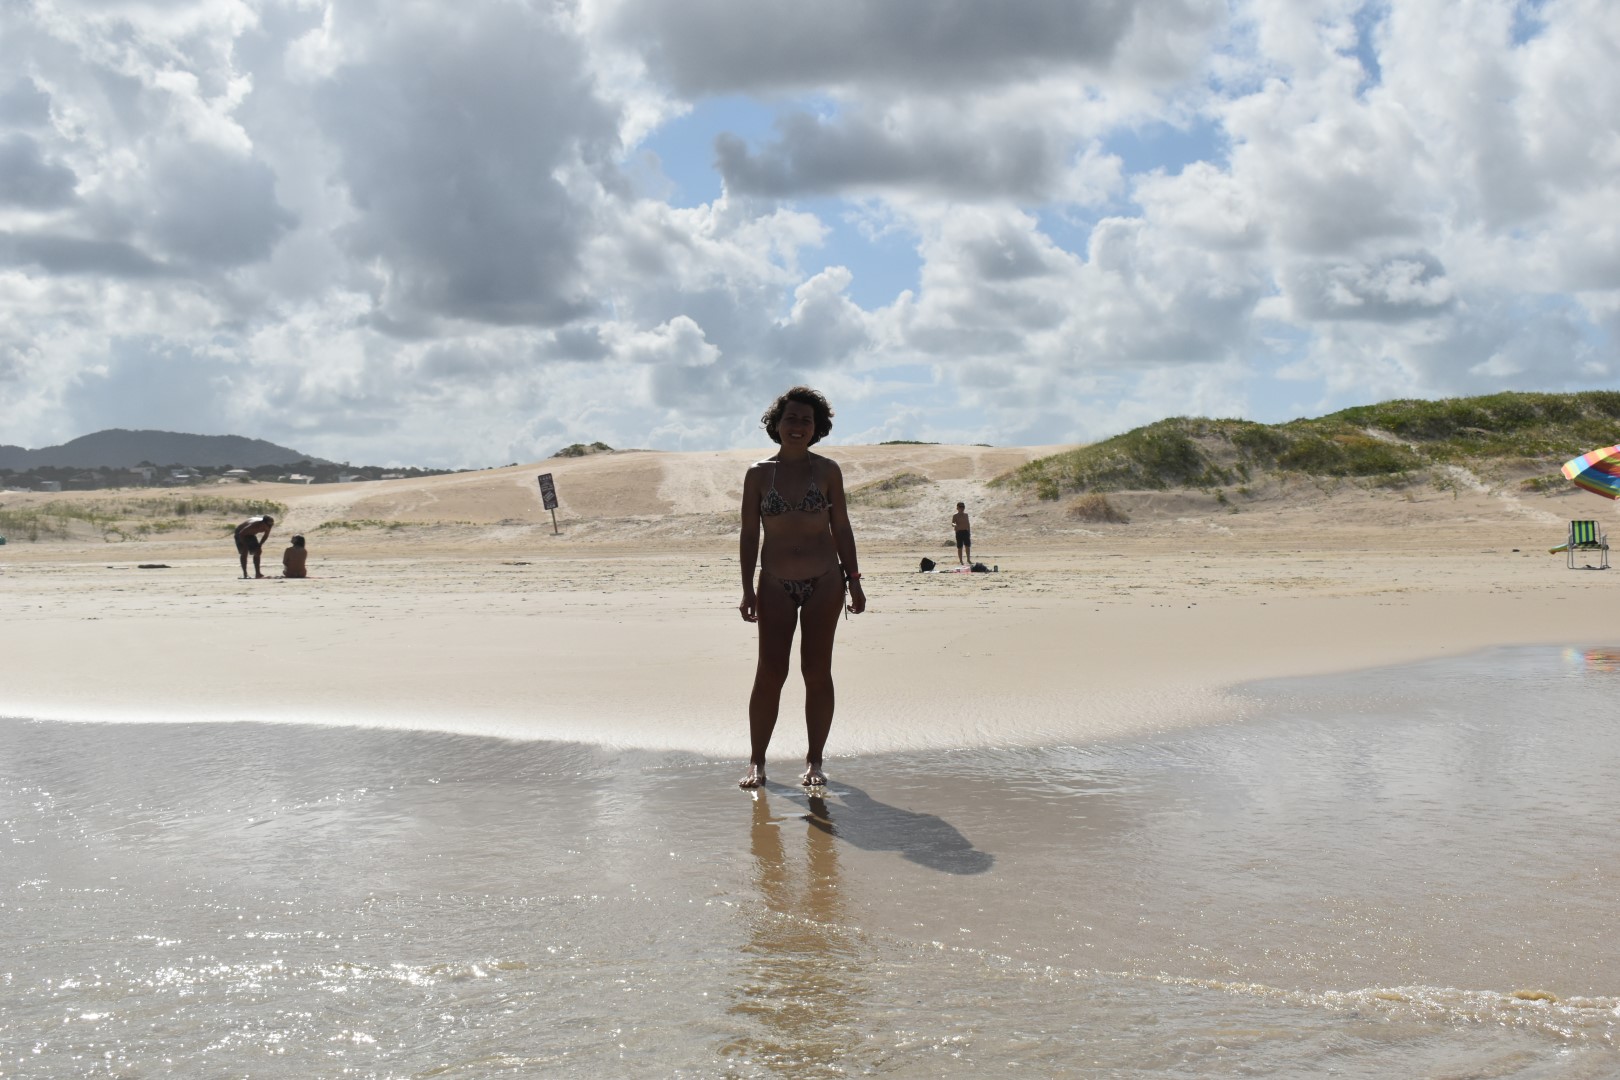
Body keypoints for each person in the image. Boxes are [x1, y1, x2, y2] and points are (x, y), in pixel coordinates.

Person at [738, 387, 866, 789]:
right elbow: (749, 533)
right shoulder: (759, 474)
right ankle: (757, 762)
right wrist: (747, 588)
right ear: (776, 424)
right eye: (790, 418)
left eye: (806, 421)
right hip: (774, 582)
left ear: (817, 428)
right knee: (770, 672)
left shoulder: (827, 471)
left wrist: (854, 581)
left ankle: (815, 761)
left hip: (825, 580)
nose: (798, 426)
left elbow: (841, 527)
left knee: (817, 670)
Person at [233, 514, 274, 579]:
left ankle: (258, 574)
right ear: (262, 523)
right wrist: (244, 544)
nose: (269, 527)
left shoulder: (269, 525)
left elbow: (265, 536)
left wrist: (260, 545)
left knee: (258, 551)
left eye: (271, 525)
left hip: (250, 534)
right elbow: (241, 533)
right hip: (240, 532)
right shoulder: (254, 525)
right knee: (244, 551)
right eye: (268, 525)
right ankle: (245, 574)